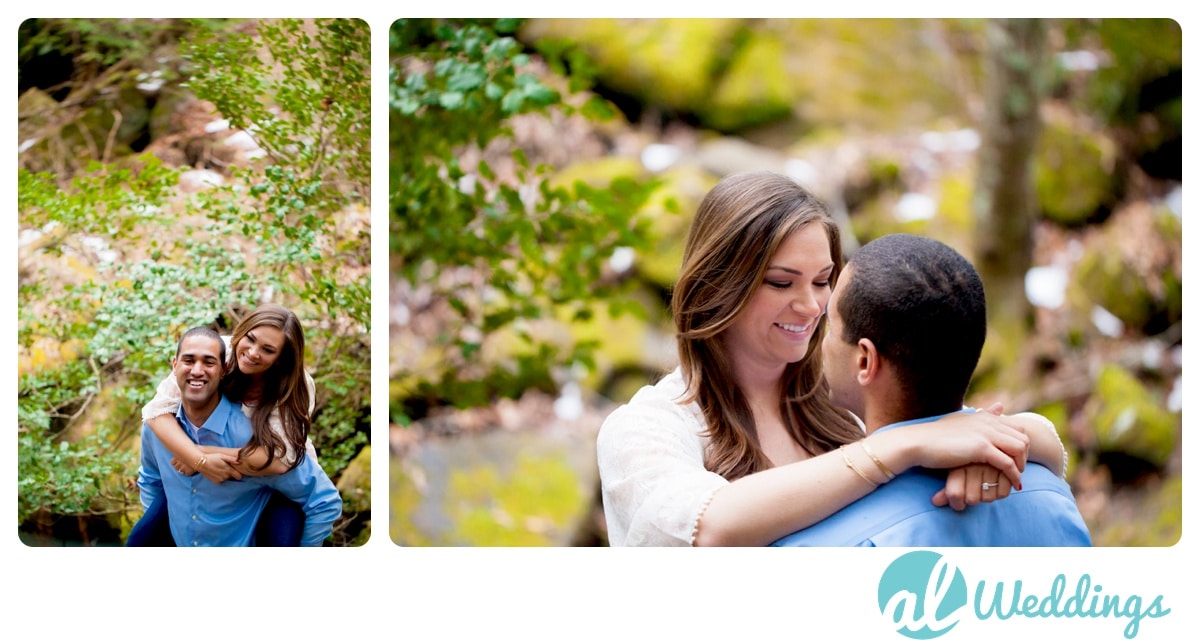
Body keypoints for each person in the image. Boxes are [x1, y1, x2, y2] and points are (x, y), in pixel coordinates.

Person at [596, 171, 1068, 547]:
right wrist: (895, 449)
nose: (811, 306)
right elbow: (710, 526)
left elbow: (1037, 437)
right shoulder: (649, 427)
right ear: (719, 284)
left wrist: (990, 451)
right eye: (782, 283)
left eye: (823, 281)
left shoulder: (847, 392)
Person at [772, 234, 1090, 546]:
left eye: (831, 325)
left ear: (865, 360)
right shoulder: (1051, 495)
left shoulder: (821, 540)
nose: (820, 341)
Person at [127, 304, 317, 546]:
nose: (253, 352)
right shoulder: (214, 353)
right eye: (250, 338)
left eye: (268, 350)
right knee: (140, 541)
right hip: (200, 475)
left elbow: (280, 462)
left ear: (281, 359)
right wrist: (199, 460)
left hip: (270, 484)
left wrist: (202, 454)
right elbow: (155, 412)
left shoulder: (296, 384)